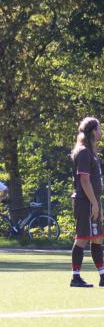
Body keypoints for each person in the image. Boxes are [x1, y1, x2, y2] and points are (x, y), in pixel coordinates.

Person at [70, 117, 104, 287]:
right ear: (92, 131)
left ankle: (103, 276)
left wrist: (97, 202)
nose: (100, 131)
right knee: (82, 238)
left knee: (97, 238)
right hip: (86, 202)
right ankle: (75, 277)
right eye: (98, 128)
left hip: (92, 201)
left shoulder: (90, 152)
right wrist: (94, 203)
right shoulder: (83, 152)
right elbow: (84, 180)